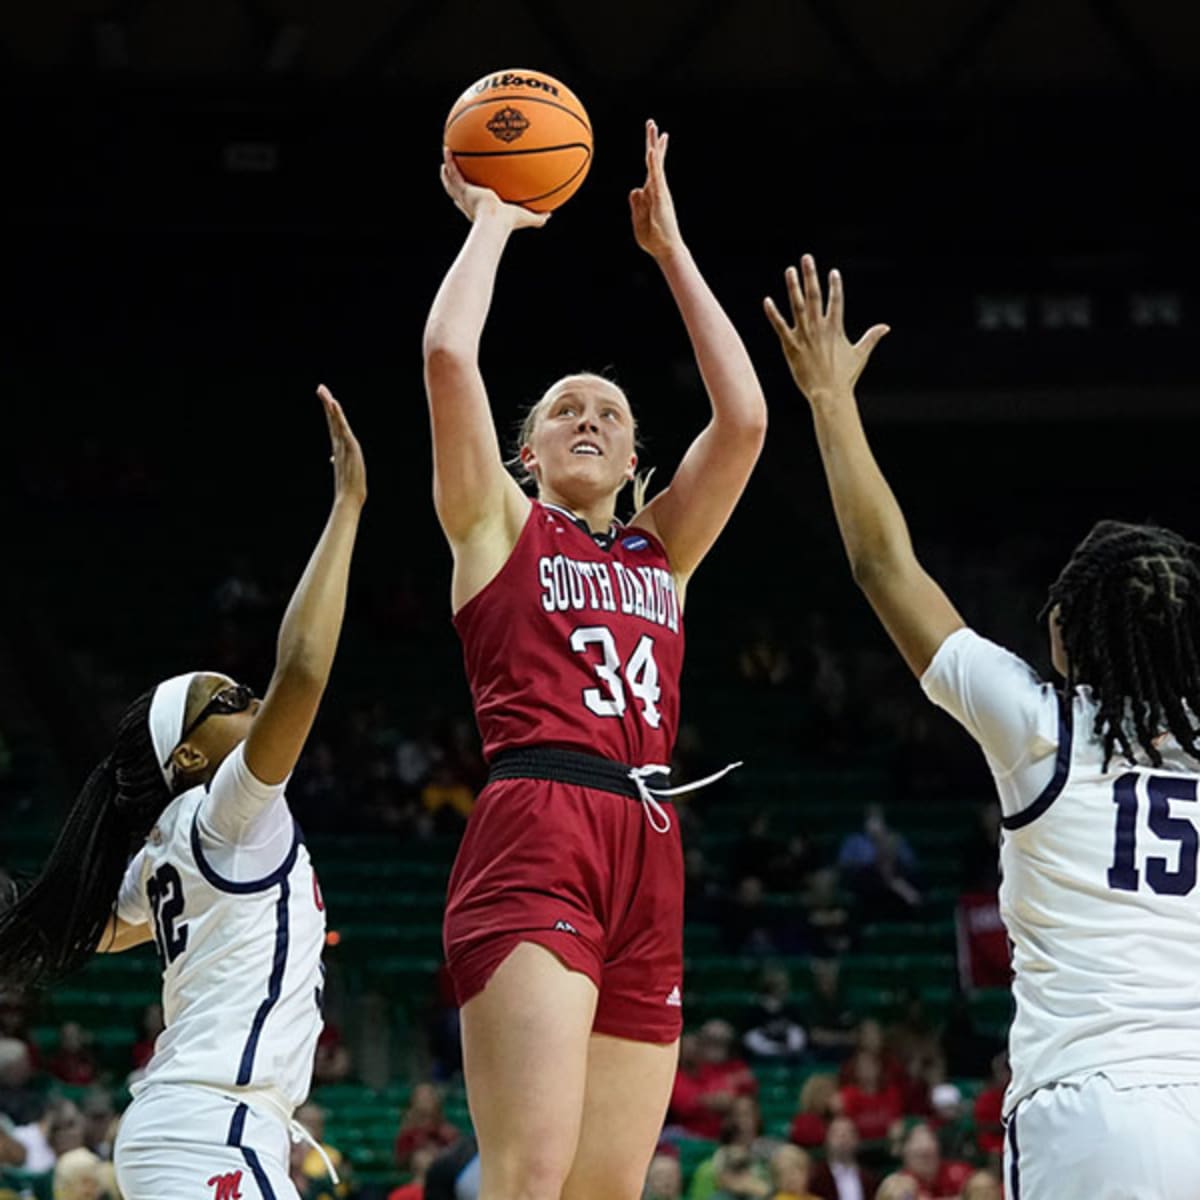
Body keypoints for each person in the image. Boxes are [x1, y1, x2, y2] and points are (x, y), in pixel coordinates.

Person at [766, 252, 1200, 1198]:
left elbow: (885, 568)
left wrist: (831, 402)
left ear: (1073, 629)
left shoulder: (1040, 727)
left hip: (1092, 1105)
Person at [424, 118, 767, 1200]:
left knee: (606, 1192)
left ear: (634, 456)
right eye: (564, 409)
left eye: (608, 412)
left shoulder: (666, 548)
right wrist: (491, 221)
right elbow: (446, 357)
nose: (588, 417)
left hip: (649, 837)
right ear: (525, 453)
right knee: (526, 1180)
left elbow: (747, 418)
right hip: (539, 822)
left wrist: (670, 250)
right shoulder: (496, 527)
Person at [0, 387, 366, 1199]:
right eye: (230, 700)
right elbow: (302, 674)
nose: (252, 704)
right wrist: (347, 507)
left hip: (198, 1128)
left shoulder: (167, 850)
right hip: (214, 1127)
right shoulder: (226, 813)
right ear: (194, 753)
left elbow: (92, 927)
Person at [808, 1116, 878, 1200]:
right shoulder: (816, 1177)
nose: (843, 1138)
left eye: (849, 1133)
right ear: (827, 1140)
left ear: (857, 1140)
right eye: (837, 1134)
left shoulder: (869, 1179)